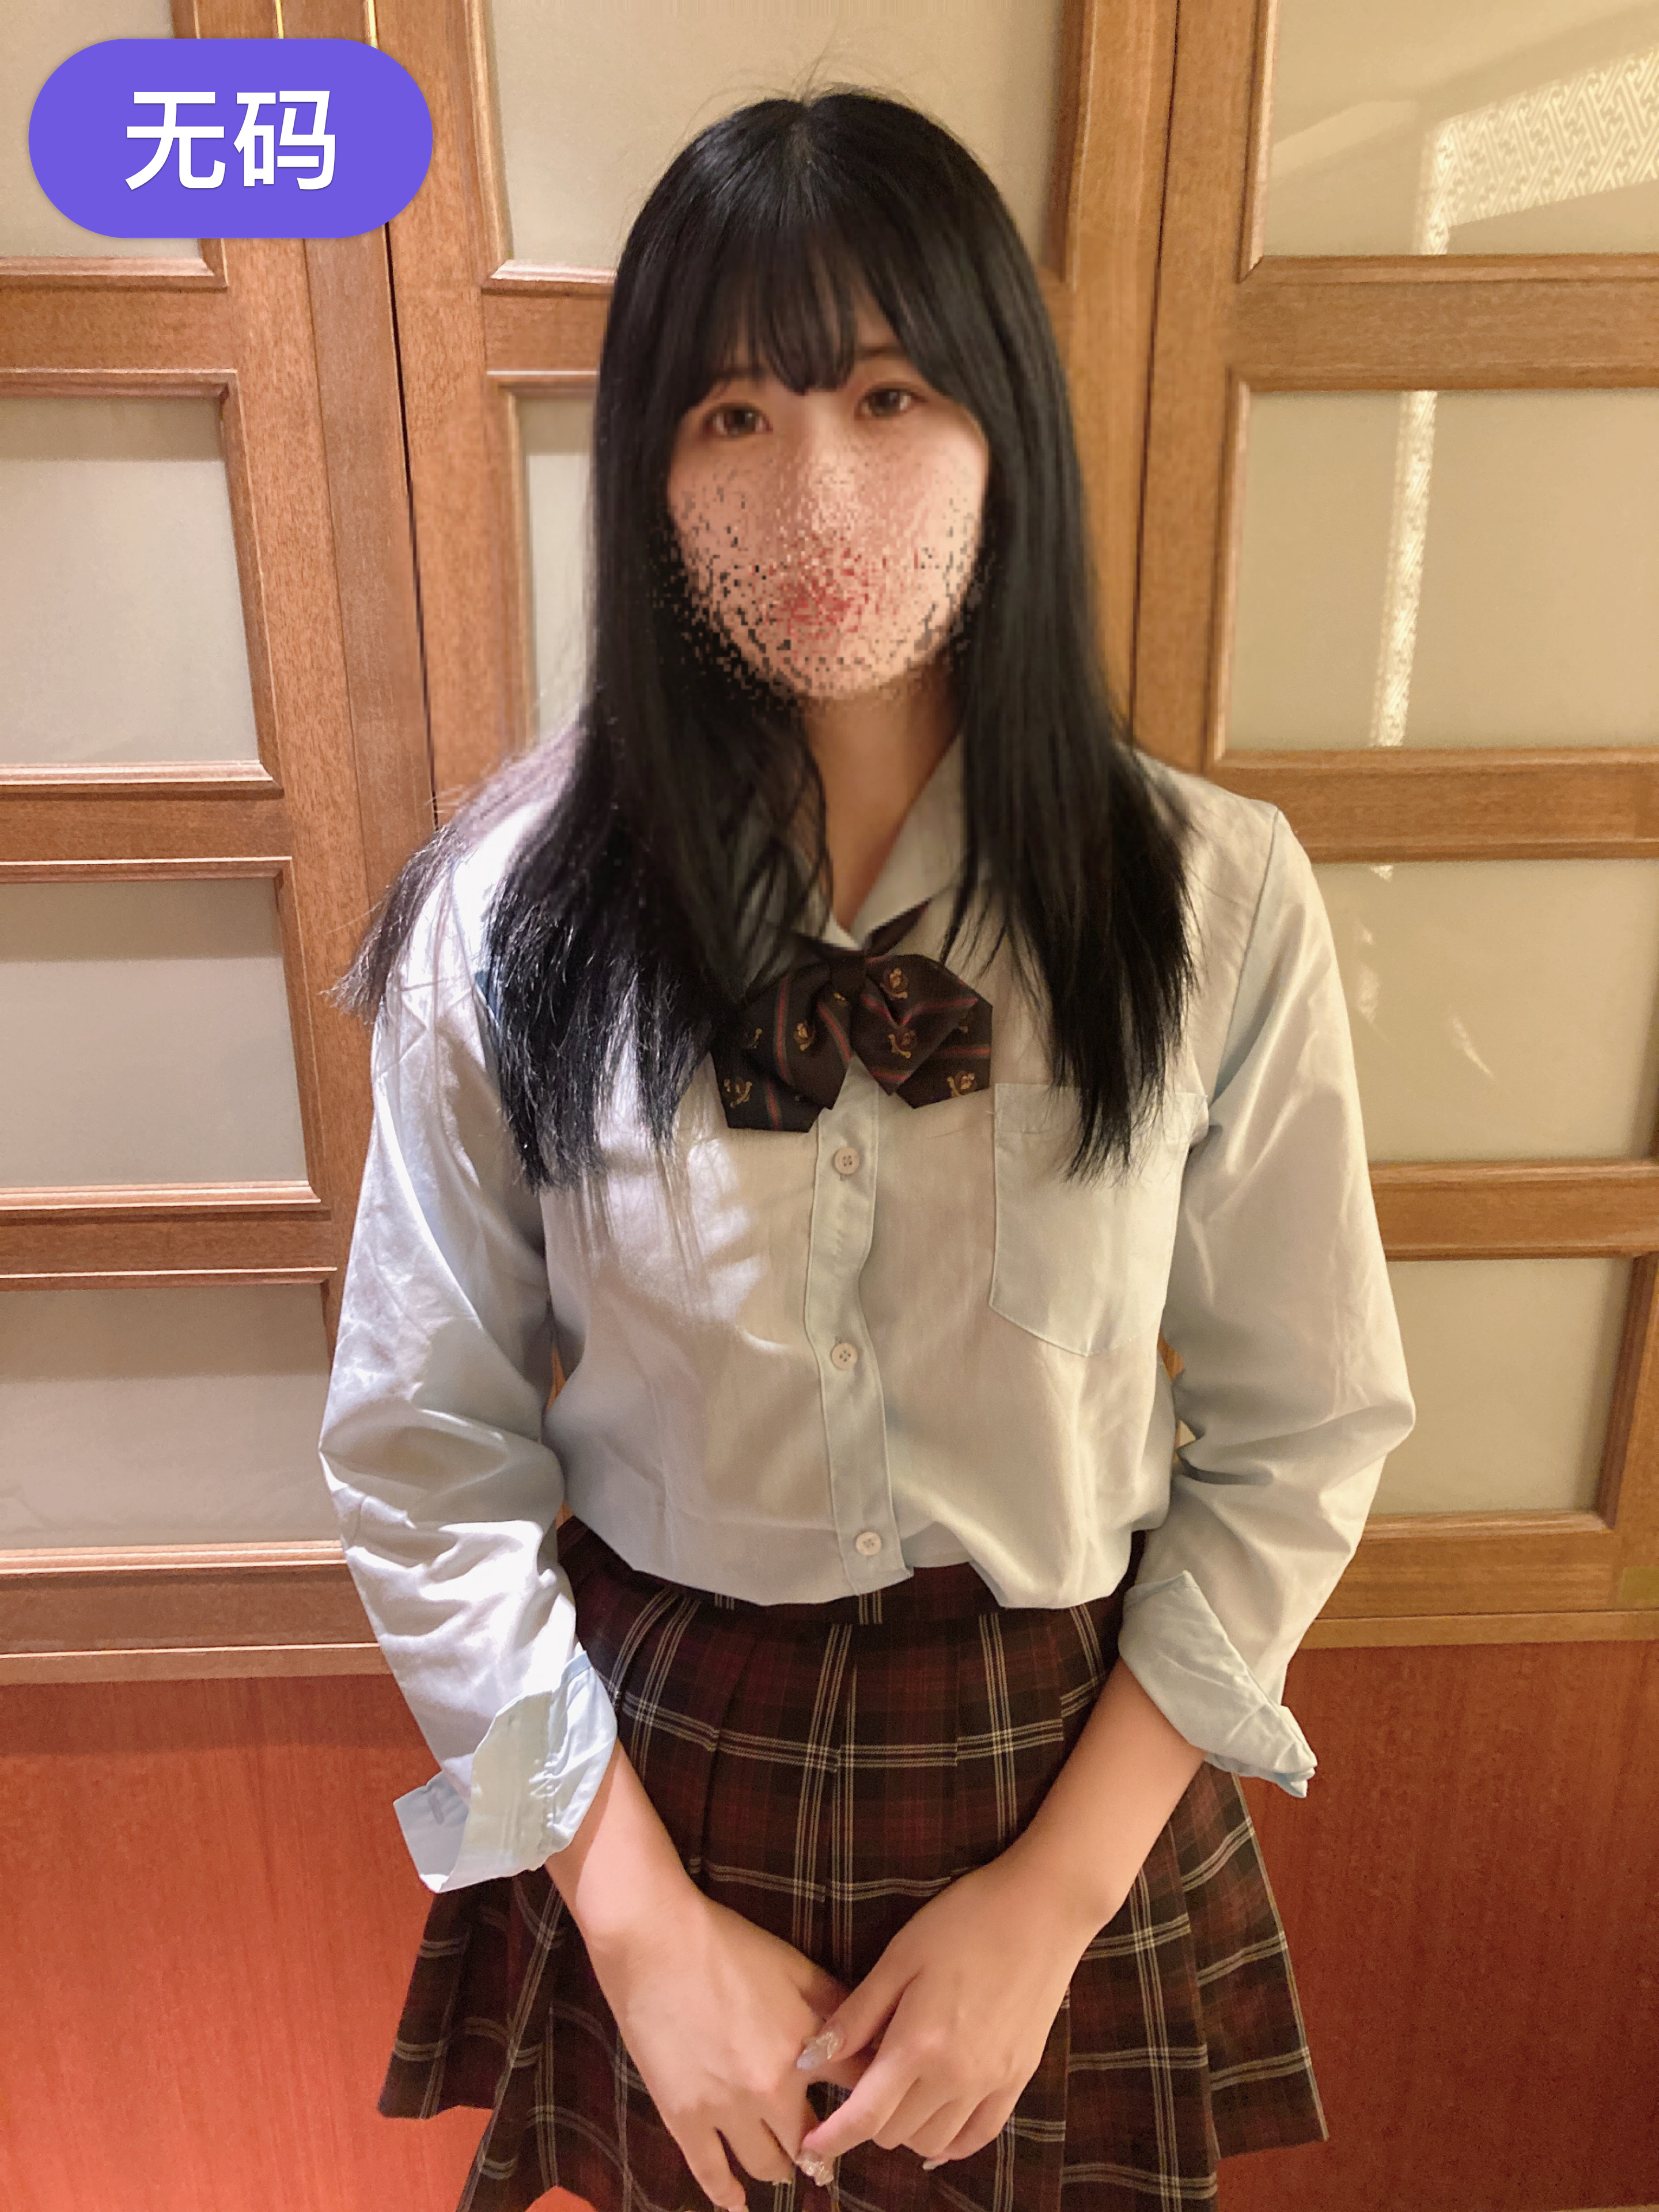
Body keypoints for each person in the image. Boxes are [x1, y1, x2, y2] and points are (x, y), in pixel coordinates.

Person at [319, 86, 1414, 2212]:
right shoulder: (506, 917)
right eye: (733, 413)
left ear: (1006, 434)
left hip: (1064, 1771)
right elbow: (424, 1455)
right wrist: (637, 1930)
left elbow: (1303, 1436)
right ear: (648, 473)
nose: (816, 486)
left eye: (890, 395)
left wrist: (1053, 1908)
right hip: (658, 1777)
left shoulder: (1214, 897)